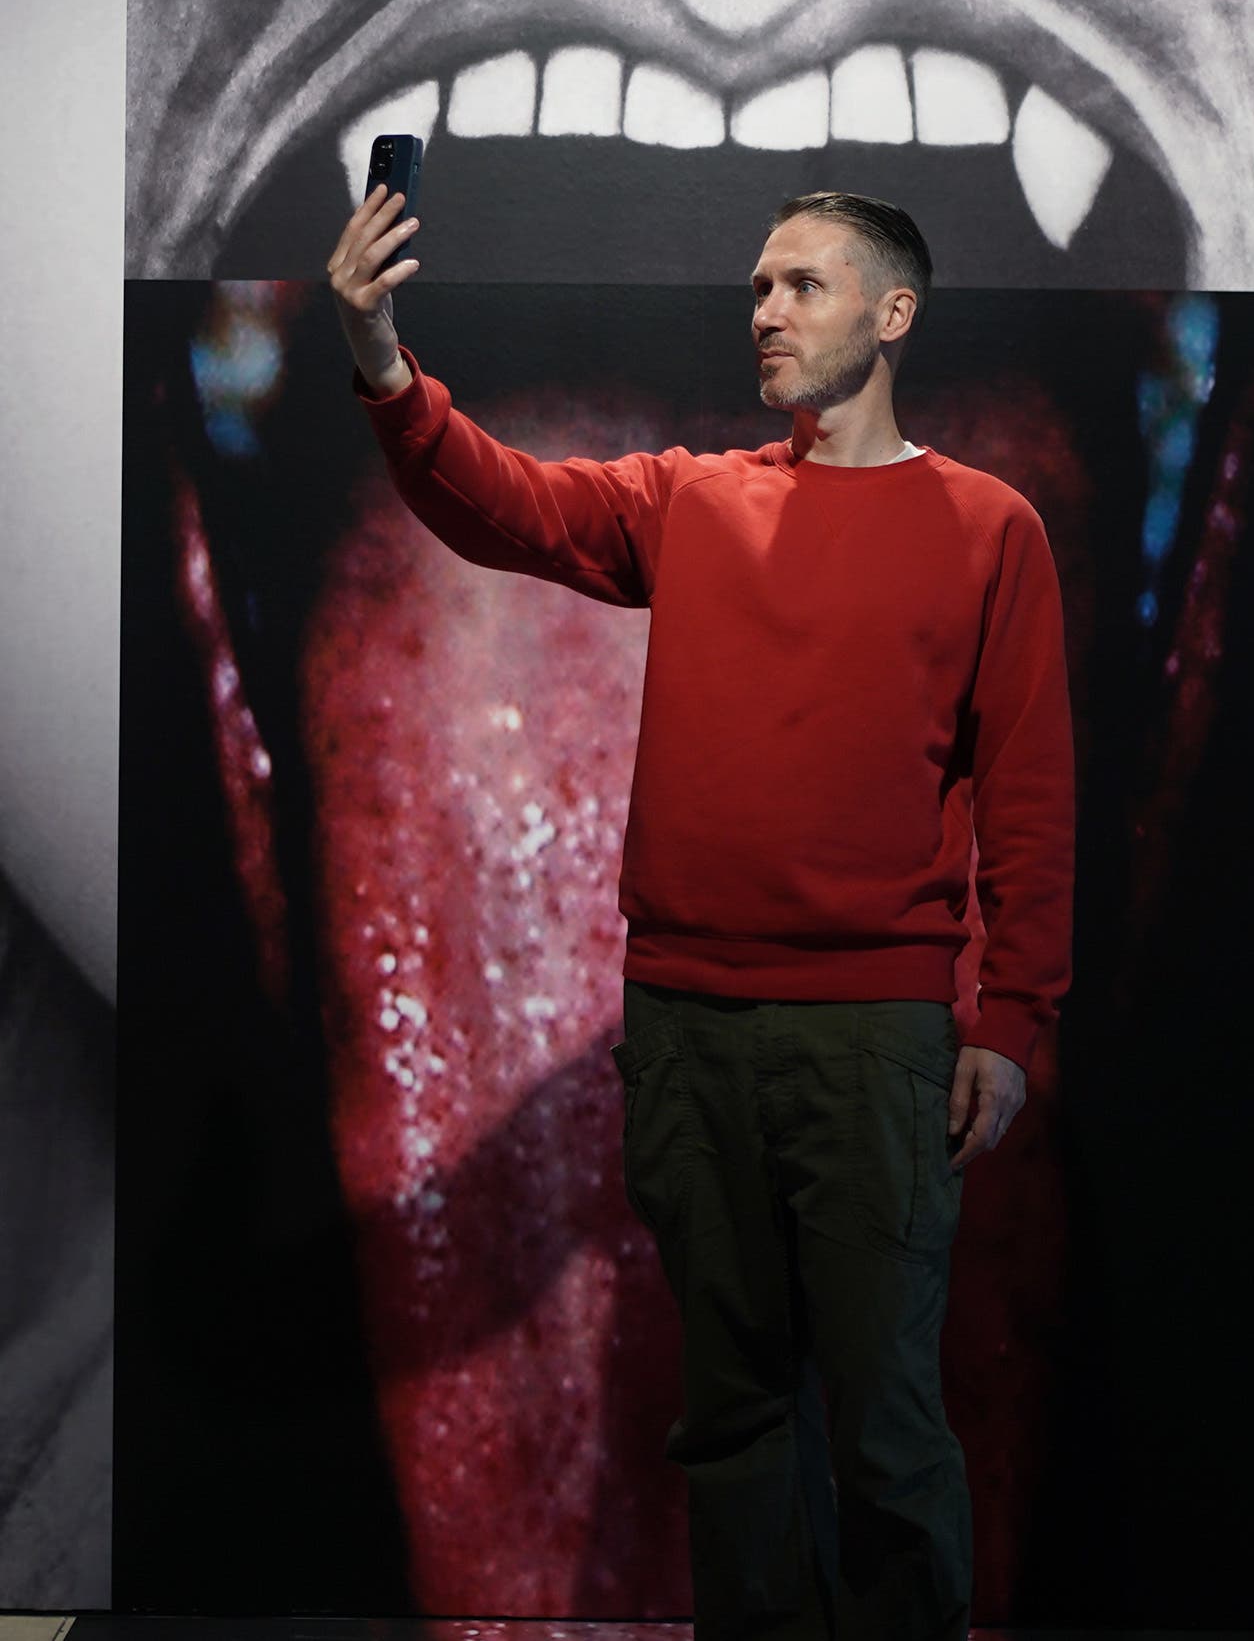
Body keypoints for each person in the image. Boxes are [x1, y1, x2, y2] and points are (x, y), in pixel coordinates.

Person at [321, 181, 1072, 1641]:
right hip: (688, 1034)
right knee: (733, 1422)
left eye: (799, 285)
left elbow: (1031, 799)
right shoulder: (695, 499)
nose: (765, 313)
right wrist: (377, 348)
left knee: (887, 1424)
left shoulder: (992, 530)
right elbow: (499, 499)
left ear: (893, 312)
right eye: (757, 288)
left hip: (874, 1041)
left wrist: (1015, 1016)